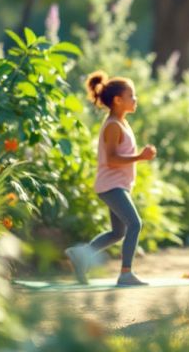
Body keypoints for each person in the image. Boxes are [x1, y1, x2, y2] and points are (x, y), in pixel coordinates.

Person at [65, 71, 157, 286]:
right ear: (118, 100)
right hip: (111, 185)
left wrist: (140, 157)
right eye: (131, 96)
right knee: (135, 224)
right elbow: (112, 159)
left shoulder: (121, 122)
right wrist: (140, 157)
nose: (136, 100)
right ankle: (126, 273)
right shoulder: (113, 125)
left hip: (117, 185)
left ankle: (81, 254)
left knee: (119, 232)